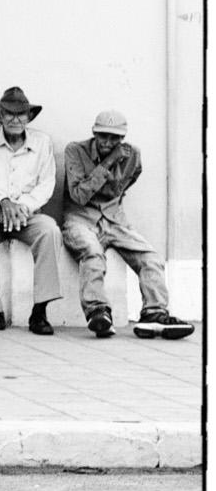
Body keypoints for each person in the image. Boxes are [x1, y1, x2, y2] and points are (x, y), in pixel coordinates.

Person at [61, 109, 190, 340]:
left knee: (150, 257)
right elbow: (79, 195)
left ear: (122, 138)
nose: (107, 142)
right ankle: (98, 312)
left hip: (114, 220)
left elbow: (129, 180)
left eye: (114, 138)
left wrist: (112, 203)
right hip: (81, 219)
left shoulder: (133, 155)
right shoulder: (75, 150)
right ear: (94, 133)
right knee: (92, 254)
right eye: (103, 136)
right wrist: (110, 161)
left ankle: (154, 313)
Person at [0, 85, 64, 334]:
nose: (15, 119)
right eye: (9, 113)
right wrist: (2, 202)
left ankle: (40, 311)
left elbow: (46, 185)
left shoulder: (42, 142)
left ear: (29, 117)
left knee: (50, 231)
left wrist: (21, 207)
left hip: (26, 215)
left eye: (21, 114)